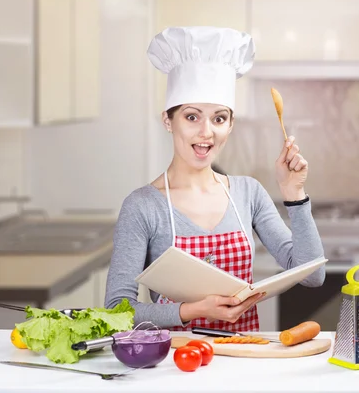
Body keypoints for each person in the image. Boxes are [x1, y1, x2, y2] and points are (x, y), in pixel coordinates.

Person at [104, 26, 325, 332]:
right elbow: (117, 311)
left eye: (219, 118)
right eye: (192, 117)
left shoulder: (248, 193)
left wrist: (294, 194)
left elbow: (312, 276)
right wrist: (192, 310)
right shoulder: (142, 206)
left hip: (241, 361)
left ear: (231, 124)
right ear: (168, 120)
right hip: (175, 366)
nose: (206, 132)